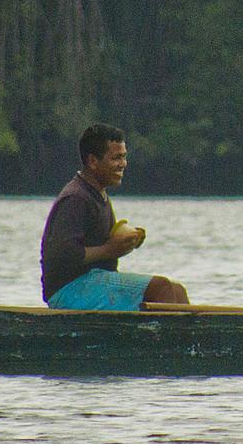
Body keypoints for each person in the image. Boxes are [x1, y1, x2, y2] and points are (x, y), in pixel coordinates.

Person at [39, 124, 190, 310]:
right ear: (93, 161)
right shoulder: (76, 198)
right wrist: (109, 249)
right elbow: (65, 254)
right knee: (161, 287)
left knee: (177, 291)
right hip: (68, 290)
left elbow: (106, 246)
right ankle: (163, 330)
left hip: (93, 282)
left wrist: (128, 241)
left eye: (124, 157)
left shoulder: (98, 194)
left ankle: (187, 330)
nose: (123, 164)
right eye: (116, 158)